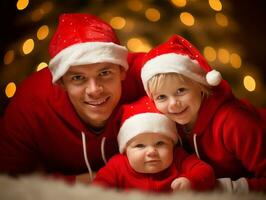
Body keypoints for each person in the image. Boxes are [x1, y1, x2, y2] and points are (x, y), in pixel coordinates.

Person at [0, 13, 146, 181]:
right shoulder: (31, 100)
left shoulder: (145, 74)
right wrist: (85, 180)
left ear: (122, 71)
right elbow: (7, 179)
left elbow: (177, 61)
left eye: (104, 73)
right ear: (61, 83)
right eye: (78, 78)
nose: (94, 90)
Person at [140, 34, 266, 193]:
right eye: (161, 97)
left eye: (181, 90)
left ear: (201, 85)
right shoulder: (167, 123)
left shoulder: (234, 122)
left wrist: (224, 189)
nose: (173, 104)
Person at [92, 96, 215, 192]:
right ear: (125, 150)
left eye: (160, 143)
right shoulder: (117, 165)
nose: (151, 152)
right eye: (140, 146)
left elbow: (205, 171)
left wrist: (191, 181)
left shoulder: (178, 158)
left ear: (172, 145)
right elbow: (98, 188)